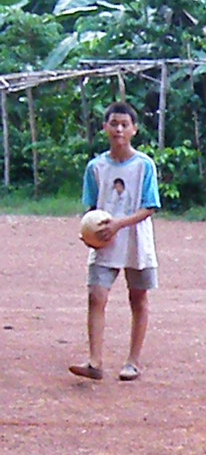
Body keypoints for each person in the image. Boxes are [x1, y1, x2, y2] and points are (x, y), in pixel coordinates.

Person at [69, 101, 160, 382]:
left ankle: (133, 361)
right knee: (96, 295)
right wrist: (88, 234)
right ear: (104, 128)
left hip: (135, 240)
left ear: (134, 130)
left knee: (138, 297)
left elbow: (150, 206)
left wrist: (119, 224)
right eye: (114, 124)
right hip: (104, 242)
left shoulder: (144, 165)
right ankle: (95, 361)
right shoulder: (95, 167)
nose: (119, 129)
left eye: (124, 124)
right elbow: (90, 208)